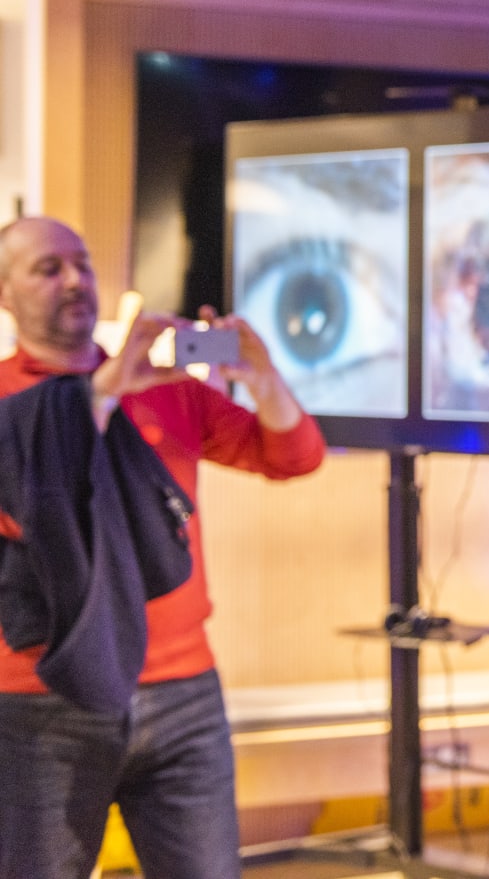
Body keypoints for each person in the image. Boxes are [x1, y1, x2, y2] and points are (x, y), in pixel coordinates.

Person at [0, 216, 326, 879]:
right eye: (47, 268)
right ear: (5, 294)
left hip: (185, 694)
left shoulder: (166, 387)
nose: (74, 280)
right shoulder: (10, 400)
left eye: (82, 263)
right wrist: (103, 393)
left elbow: (293, 455)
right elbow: (31, 501)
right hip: (44, 696)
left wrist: (260, 375)